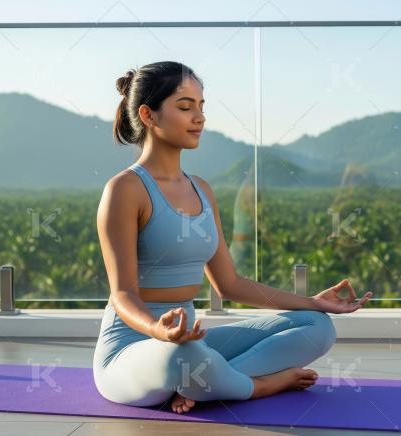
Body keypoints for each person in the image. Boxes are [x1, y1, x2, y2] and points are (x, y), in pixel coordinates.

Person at [94, 61, 372, 414]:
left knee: (318, 328)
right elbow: (122, 294)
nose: (199, 117)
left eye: (201, 106)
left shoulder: (202, 191)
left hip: (189, 340)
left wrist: (315, 302)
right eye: (185, 107)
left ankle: (210, 383)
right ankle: (258, 385)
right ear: (148, 115)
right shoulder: (125, 189)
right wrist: (158, 329)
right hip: (133, 349)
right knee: (184, 356)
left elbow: (229, 283)